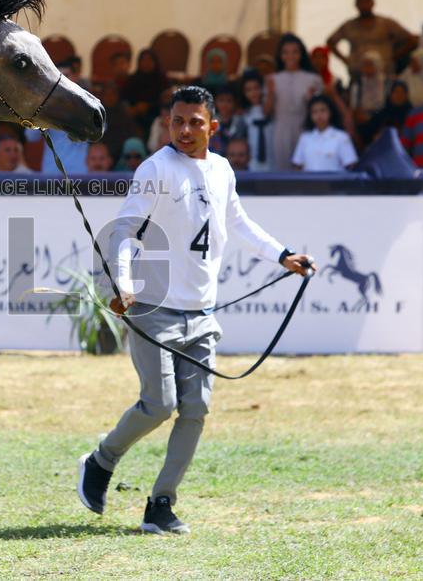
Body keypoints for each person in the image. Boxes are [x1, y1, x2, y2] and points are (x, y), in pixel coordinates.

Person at [77, 85, 314, 535]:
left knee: (195, 409)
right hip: (153, 309)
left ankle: (161, 504)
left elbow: (239, 222)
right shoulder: (155, 168)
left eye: (195, 122)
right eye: (178, 121)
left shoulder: (223, 170)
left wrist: (282, 254)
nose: (185, 130)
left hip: (203, 314)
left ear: (214, 127)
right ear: (168, 123)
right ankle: (101, 460)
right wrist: (122, 283)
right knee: (158, 404)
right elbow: (125, 229)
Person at [327, 0, 416, 78]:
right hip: (358, 75)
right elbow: (330, 42)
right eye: (361, 1)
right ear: (356, 4)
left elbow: (412, 40)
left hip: (384, 74)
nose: (364, 4)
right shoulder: (349, 25)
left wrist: (393, 57)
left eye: (367, 1)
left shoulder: (386, 23)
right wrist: (346, 61)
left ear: (373, 3)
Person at [264, 33, 322, 170]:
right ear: (280, 55)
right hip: (280, 130)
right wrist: (271, 92)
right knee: (281, 168)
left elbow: (319, 109)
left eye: (295, 52)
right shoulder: (272, 79)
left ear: (301, 54)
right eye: (286, 52)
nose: (290, 56)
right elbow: (266, 111)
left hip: (305, 129)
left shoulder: (313, 79)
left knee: (304, 167)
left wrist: (311, 100)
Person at [25, 61, 89, 174]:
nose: (62, 81)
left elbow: (99, 133)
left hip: (82, 175)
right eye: (58, 77)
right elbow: (30, 136)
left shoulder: (88, 105)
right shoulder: (45, 107)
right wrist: (44, 110)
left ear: (76, 77)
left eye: (67, 76)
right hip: (52, 174)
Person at [292, 95, 358, 172]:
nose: (319, 115)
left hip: (334, 183)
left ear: (331, 112)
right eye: (314, 112)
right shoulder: (305, 138)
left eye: (323, 110)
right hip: (310, 183)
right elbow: (297, 165)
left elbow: (351, 166)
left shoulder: (342, 137)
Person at [122, 49, 168, 135]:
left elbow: (165, 102)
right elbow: (125, 100)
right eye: (143, 60)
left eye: (149, 60)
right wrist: (135, 109)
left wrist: (148, 105)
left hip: (156, 117)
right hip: (135, 118)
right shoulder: (132, 80)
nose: (146, 63)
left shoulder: (162, 80)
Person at [349, 51, 389, 146]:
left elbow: (388, 106)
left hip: (382, 123)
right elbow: (354, 108)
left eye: (370, 64)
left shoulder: (387, 83)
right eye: (364, 65)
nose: (366, 68)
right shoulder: (358, 85)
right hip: (363, 125)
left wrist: (373, 117)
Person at [97, 80, 142, 161]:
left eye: (112, 94)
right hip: (100, 156)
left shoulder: (125, 114)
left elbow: (133, 135)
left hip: (122, 157)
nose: (109, 97)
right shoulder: (96, 114)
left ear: (117, 96)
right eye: (106, 94)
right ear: (101, 96)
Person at [240, 71, 271, 171]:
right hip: (252, 166)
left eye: (256, 88)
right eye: (248, 90)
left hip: (274, 163)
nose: (253, 93)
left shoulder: (272, 110)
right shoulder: (244, 114)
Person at [209, 85, 246, 155]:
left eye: (229, 100)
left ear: (235, 103)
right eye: (221, 100)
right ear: (215, 102)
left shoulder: (240, 121)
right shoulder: (211, 121)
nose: (224, 104)